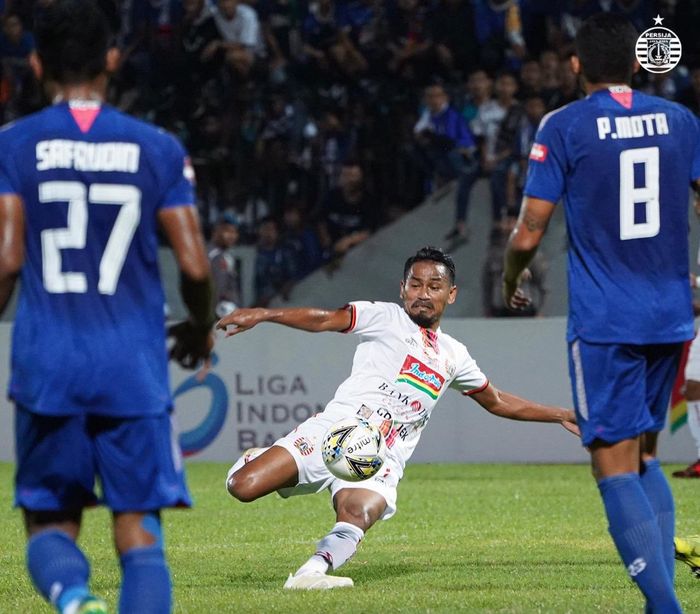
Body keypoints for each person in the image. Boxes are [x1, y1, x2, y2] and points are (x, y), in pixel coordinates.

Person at [0, 1, 215, 612]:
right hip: (133, 368)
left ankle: (73, 597)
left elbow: (7, 260)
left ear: (36, 61)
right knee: (140, 530)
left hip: (48, 365)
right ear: (112, 60)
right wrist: (199, 328)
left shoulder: (13, 146)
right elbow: (196, 266)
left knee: (49, 523)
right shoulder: (158, 148)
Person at [217, 246, 577, 590]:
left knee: (357, 513)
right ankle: (264, 463)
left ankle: (312, 572)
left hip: (381, 456)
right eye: (415, 284)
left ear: (450, 294)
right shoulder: (386, 318)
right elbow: (326, 319)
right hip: (336, 430)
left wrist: (560, 414)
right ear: (402, 289)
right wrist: (265, 314)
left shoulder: (454, 356)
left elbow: (496, 401)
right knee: (242, 487)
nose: (423, 293)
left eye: (434, 286)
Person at [503, 13, 700, 613]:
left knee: (611, 464)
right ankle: (658, 604)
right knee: (644, 455)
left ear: (575, 65)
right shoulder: (682, 120)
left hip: (606, 320)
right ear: (641, 64)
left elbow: (531, 227)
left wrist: (514, 276)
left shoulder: (564, 125)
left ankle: (664, 608)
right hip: (671, 315)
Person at [208, 212, 243, 317]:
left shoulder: (228, 256)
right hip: (213, 314)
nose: (231, 236)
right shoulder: (211, 255)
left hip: (227, 313)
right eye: (227, 231)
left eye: (234, 232)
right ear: (216, 231)